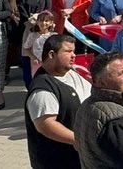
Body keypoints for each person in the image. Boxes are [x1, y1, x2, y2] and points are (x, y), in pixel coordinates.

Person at [25, 34, 91, 169]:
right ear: (51, 54)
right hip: (58, 161)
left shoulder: (71, 73)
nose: (73, 55)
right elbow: (45, 125)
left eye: (73, 51)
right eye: (68, 51)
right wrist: (78, 139)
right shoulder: (43, 89)